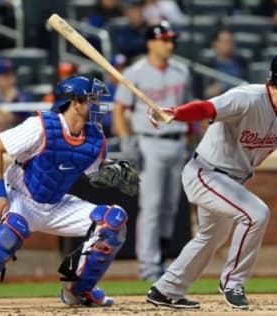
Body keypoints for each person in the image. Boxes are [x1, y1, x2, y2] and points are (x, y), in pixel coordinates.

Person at [146, 50, 277, 309]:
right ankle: (233, 283)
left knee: (210, 238)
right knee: (256, 214)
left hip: (231, 182)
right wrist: (175, 112)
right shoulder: (246, 97)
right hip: (205, 173)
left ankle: (165, 290)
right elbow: (207, 108)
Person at [0, 76, 131, 311]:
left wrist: (112, 169)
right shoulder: (41, 125)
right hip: (21, 198)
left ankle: (78, 291)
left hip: (57, 204)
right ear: (74, 102)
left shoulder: (95, 138)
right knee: (10, 235)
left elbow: (91, 169)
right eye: (92, 100)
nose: (97, 106)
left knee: (114, 221)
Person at [113, 21, 192, 281]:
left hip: (177, 141)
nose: (170, 44)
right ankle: (148, 268)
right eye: (165, 40)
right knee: (152, 205)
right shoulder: (135, 73)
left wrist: (194, 140)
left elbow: (189, 110)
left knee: (170, 207)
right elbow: (118, 111)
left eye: (171, 40)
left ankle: (162, 258)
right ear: (151, 42)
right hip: (148, 142)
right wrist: (127, 142)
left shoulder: (182, 71)